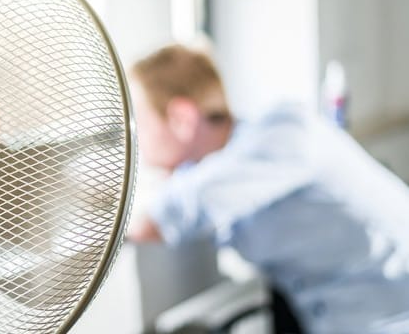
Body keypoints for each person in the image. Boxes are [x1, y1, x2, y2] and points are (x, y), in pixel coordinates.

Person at [128, 44, 409, 333]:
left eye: (141, 121)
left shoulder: (283, 133)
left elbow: (157, 219)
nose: (136, 139)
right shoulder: (216, 168)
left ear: (181, 118)